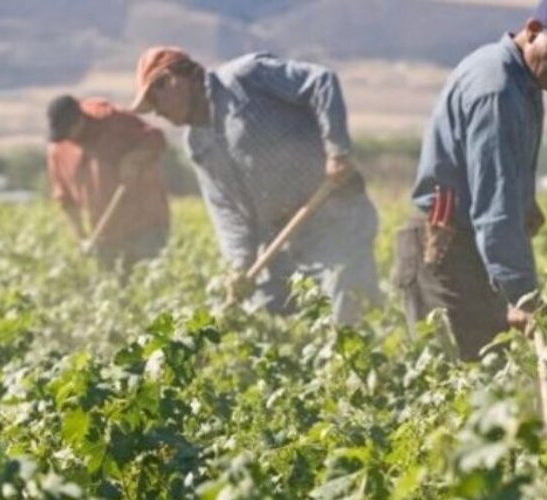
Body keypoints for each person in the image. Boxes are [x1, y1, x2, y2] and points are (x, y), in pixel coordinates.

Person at [394, 0, 547, 360]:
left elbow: (506, 178)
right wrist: (521, 295)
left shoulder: (525, 80)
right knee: (463, 382)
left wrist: (527, 204)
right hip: (443, 248)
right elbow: (495, 204)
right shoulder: (497, 89)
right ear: (533, 30)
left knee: (487, 379)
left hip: (471, 247)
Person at [129, 47, 380, 325]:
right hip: (281, 238)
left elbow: (321, 81)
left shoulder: (246, 78)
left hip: (333, 214)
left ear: (174, 79)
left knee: (348, 313)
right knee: (264, 320)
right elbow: (226, 210)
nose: (157, 112)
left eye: (155, 97)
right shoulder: (197, 144)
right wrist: (240, 266)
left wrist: (337, 152)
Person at [46, 95, 171, 272]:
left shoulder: (114, 122)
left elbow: (156, 139)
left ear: (80, 120)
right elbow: (65, 199)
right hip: (104, 237)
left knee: (147, 281)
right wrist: (81, 238)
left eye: (69, 131)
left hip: (144, 225)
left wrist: (133, 159)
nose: (68, 138)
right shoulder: (59, 148)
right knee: (115, 290)